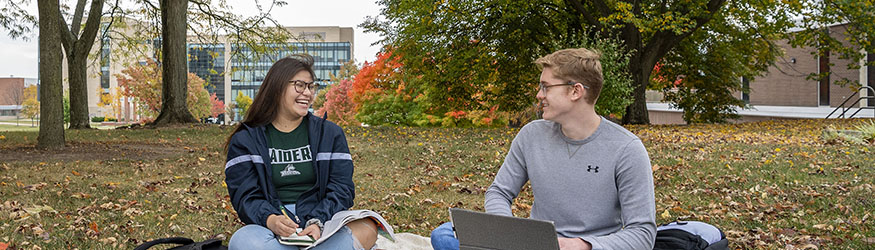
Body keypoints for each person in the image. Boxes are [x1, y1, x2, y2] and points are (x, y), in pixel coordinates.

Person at [430, 48, 656, 250]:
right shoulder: (532, 135)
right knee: (444, 235)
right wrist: (505, 231)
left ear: (575, 91)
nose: (539, 95)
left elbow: (643, 235)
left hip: (590, 247)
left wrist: (583, 245)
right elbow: (499, 192)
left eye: (546, 87)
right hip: (535, 244)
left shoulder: (626, 149)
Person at [224, 55, 379, 250]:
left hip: (322, 221)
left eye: (310, 86)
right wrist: (271, 219)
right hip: (272, 225)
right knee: (242, 241)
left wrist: (317, 221)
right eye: (299, 85)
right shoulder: (246, 139)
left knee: (368, 228)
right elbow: (245, 195)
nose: (307, 93)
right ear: (277, 87)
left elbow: (342, 189)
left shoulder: (330, 134)